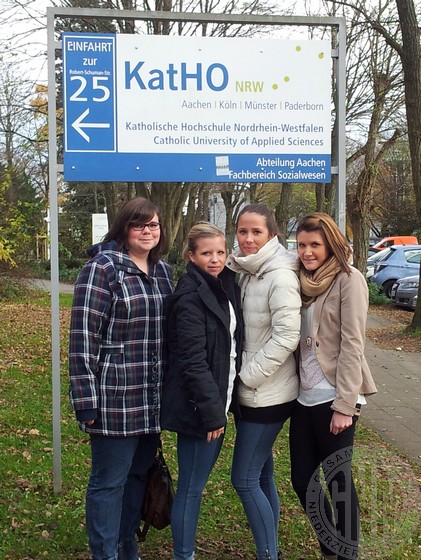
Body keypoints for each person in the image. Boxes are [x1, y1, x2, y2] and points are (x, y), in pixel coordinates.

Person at [68, 197, 173, 560]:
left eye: (154, 225)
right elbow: (83, 338)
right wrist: (85, 401)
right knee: (109, 481)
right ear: (124, 229)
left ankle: (128, 545)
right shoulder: (102, 269)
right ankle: (105, 552)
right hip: (114, 396)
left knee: (138, 476)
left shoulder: (163, 272)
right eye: (139, 225)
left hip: (152, 397)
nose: (148, 232)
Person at [289, 213, 377, 560]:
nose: (307, 252)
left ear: (331, 245)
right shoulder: (302, 280)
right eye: (301, 245)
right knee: (302, 479)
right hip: (304, 396)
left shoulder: (348, 279)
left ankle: (347, 552)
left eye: (315, 245)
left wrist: (345, 405)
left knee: (338, 483)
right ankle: (330, 546)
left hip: (334, 398)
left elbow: (353, 343)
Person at [161, 222, 243, 560]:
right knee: (191, 489)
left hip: (218, 404)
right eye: (206, 253)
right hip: (200, 410)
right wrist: (212, 414)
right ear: (191, 256)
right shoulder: (191, 296)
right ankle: (184, 554)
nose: (215, 259)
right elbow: (192, 361)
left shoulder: (224, 286)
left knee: (194, 488)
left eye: (221, 252)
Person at [226, 203, 301, 560]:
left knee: (243, 478)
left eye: (257, 232)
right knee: (262, 476)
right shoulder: (250, 271)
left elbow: (287, 335)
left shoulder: (279, 275)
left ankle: (268, 554)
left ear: (272, 234)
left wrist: (247, 377)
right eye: (243, 231)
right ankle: (272, 550)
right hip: (255, 392)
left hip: (265, 394)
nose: (248, 238)